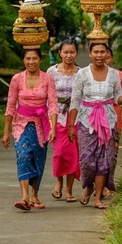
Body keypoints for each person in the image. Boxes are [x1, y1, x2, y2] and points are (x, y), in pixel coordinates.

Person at [68, 42, 122, 209]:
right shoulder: (82, 74)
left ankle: (98, 198)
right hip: (86, 122)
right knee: (87, 160)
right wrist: (71, 126)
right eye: (96, 52)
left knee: (104, 160)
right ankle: (89, 188)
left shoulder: (114, 74)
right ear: (90, 53)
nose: (100, 55)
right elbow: (75, 100)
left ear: (107, 54)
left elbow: (118, 97)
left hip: (108, 122)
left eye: (103, 52)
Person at [3, 48, 59, 211]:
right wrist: (6, 132)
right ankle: (24, 196)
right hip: (21, 124)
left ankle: (34, 194)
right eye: (28, 58)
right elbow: (11, 105)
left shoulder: (48, 79)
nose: (31, 62)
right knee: (24, 156)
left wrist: (53, 128)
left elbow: (53, 105)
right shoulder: (17, 79)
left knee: (38, 159)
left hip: (41, 125)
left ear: (40, 60)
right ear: (23, 60)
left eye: (34, 58)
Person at [47, 38, 81, 202]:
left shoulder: (81, 73)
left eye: (72, 52)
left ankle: (68, 190)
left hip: (75, 118)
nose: (69, 55)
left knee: (72, 154)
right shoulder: (51, 72)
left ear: (76, 53)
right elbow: (46, 94)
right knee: (60, 153)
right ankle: (58, 181)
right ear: (59, 53)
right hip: (56, 116)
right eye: (66, 52)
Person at [103, 46, 122, 197]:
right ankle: (98, 185)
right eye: (100, 55)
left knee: (111, 154)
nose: (104, 60)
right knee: (96, 154)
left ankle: (108, 184)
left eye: (107, 57)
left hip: (115, 120)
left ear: (112, 58)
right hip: (93, 120)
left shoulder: (119, 75)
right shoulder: (89, 75)